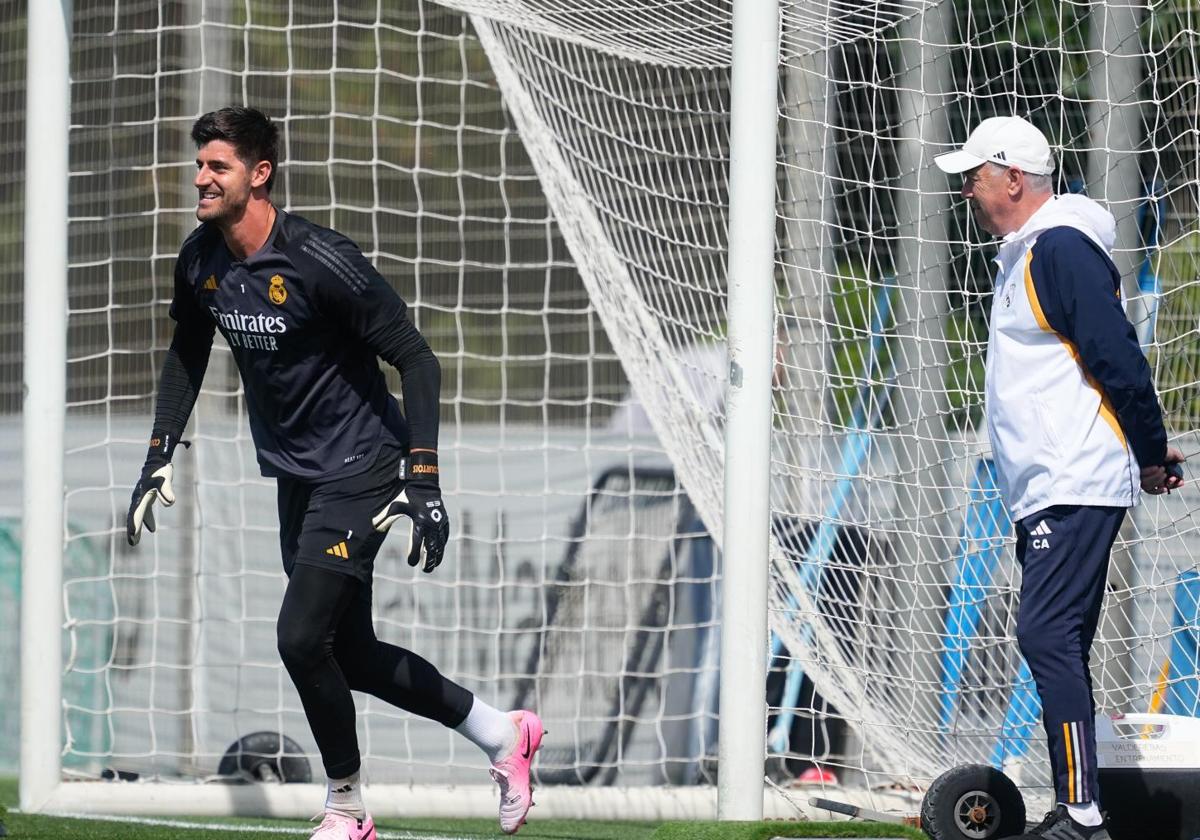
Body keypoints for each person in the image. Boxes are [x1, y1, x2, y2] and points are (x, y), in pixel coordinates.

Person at [125, 107, 542, 839]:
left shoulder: (320, 258)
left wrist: (425, 478)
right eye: (199, 165)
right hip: (298, 474)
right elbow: (188, 354)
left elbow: (417, 358)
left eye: (216, 166)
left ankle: (347, 808)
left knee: (297, 638)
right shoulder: (199, 260)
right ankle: (504, 736)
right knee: (345, 653)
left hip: (366, 465)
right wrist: (159, 452)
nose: (200, 177)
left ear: (259, 175)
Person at [935, 116, 1185, 840]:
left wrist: (1148, 449)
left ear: (1013, 178)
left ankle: (1082, 814)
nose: (971, 193)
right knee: (1059, 641)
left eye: (976, 177)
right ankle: (1078, 807)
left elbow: (1118, 355)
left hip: (1074, 481)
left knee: (1046, 636)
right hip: (1052, 485)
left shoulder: (1061, 249)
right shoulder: (1024, 256)